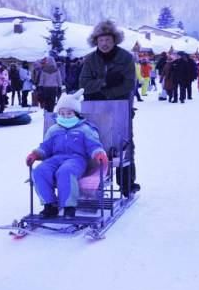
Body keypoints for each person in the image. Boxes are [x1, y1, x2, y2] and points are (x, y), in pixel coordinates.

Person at [25, 89, 108, 218]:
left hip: (76, 160)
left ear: (76, 113)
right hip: (56, 159)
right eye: (62, 113)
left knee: (65, 171)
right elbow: (45, 147)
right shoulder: (54, 129)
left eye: (69, 113)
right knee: (39, 171)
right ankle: (50, 205)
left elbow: (93, 145)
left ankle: (69, 206)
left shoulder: (85, 129)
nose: (65, 116)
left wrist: (98, 153)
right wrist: (36, 154)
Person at [79, 19, 139, 196]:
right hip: (94, 109)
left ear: (114, 40)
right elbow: (83, 83)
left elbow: (128, 85)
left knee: (124, 145)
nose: (104, 43)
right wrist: (104, 82)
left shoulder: (126, 58)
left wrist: (104, 93)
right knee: (94, 143)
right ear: (96, 41)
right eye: (101, 40)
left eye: (108, 40)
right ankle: (92, 182)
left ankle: (127, 183)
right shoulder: (90, 60)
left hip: (120, 107)